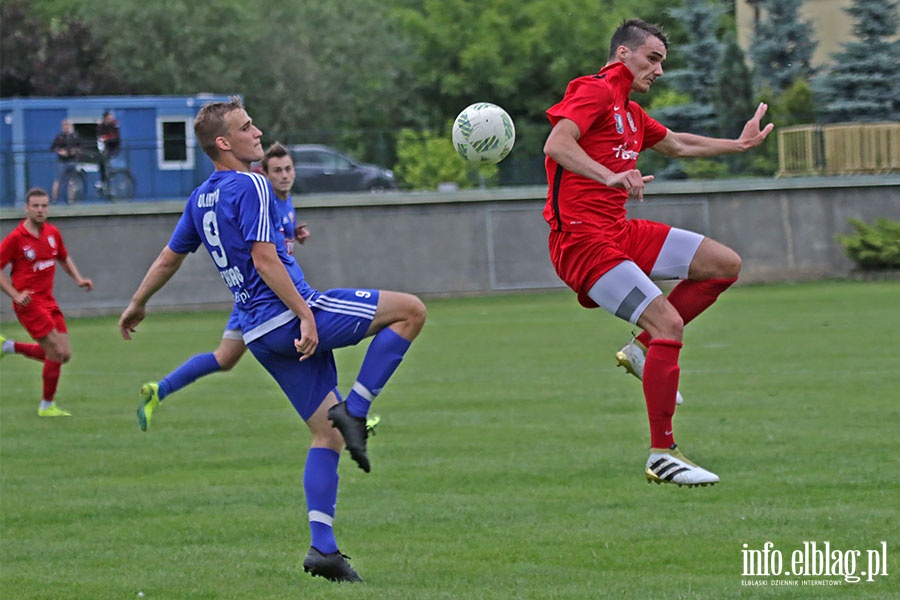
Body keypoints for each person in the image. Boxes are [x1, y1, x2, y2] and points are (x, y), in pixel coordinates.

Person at [117, 97, 425, 583]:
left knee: (324, 436)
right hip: (291, 316)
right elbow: (265, 260)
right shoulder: (254, 185)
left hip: (259, 335)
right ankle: (358, 411)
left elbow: (168, 258)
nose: (257, 132)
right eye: (246, 127)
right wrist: (305, 314)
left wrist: (137, 303)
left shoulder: (201, 199)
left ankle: (323, 551)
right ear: (224, 143)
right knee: (410, 311)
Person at [542, 19, 773, 487]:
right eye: (653, 58)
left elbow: (679, 144)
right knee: (668, 321)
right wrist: (607, 175)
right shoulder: (596, 91)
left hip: (618, 231)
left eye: (663, 61)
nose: (660, 70)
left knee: (722, 265)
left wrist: (740, 144)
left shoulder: (629, 111)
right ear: (623, 55)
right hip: (583, 243)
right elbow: (558, 143)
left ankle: (643, 350)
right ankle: (663, 454)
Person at [132, 141, 312, 432]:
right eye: (277, 170)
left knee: (225, 358)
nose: (284, 176)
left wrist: (293, 234)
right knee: (310, 342)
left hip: (252, 298)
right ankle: (350, 416)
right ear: (263, 173)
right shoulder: (259, 195)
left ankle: (159, 389)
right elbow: (261, 254)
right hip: (264, 299)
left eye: (288, 169)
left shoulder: (284, 202)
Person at [0, 187, 94, 416]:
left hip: (48, 301)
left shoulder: (52, 233)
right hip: (28, 304)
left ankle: (7, 346)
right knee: (56, 351)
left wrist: (78, 278)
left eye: (44, 206)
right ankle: (46, 405)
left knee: (64, 354)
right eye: (36, 206)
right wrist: (15, 294)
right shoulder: (16, 238)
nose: (41, 210)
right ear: (26, 208)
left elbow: (62, 257)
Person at [49, 119, 81, 204]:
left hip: (72, 161)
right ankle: (54, 199)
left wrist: (75, 151)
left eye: (68, 125)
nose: (66, 127)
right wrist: (61, 151)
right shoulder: (59, 137)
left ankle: (71, 201)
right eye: (64, 125)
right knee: (58, 180)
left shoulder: (74, 136)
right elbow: (53, 148)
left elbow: (79, 147)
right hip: (62, 162)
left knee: (72, 181)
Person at [96, 110, 121, 188]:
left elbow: (116, 137)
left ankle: (111, 173)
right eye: (108, 118)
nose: (110, 119)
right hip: (104, 147)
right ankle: (103, 181)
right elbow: (99, 137)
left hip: (113, 147)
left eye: (111, 118)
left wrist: (106, 138)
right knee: (101, 161)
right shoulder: (100, 127)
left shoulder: (114, 125)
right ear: (104, 119)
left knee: (106, 158)